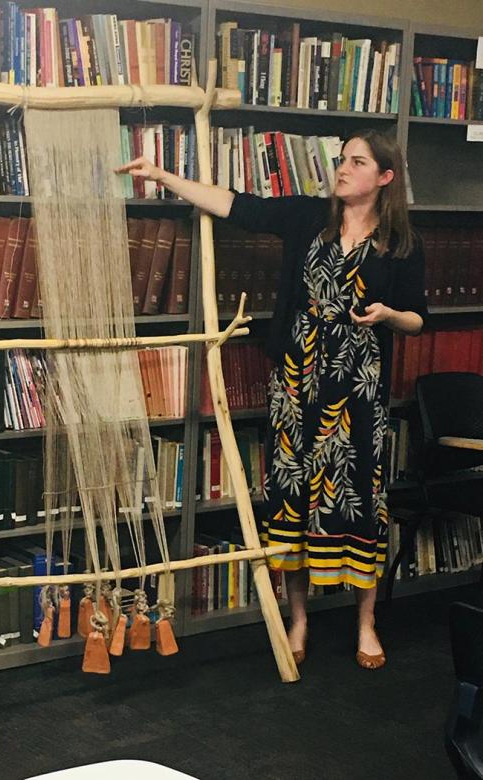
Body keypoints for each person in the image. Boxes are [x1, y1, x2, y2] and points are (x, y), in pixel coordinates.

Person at [116, 129, 427, 670]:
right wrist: (164, 176)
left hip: (358, 391)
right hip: (297, 382)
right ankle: (299, 619)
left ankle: (365, 622)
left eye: (358, 162)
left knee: (359, 498)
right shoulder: (309, 217)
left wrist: (389, 316)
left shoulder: (401, 242)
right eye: (342, 159)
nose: (344, 168)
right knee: (294, 497)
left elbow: (419, 318)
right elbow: (238, 205)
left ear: (385, 177)